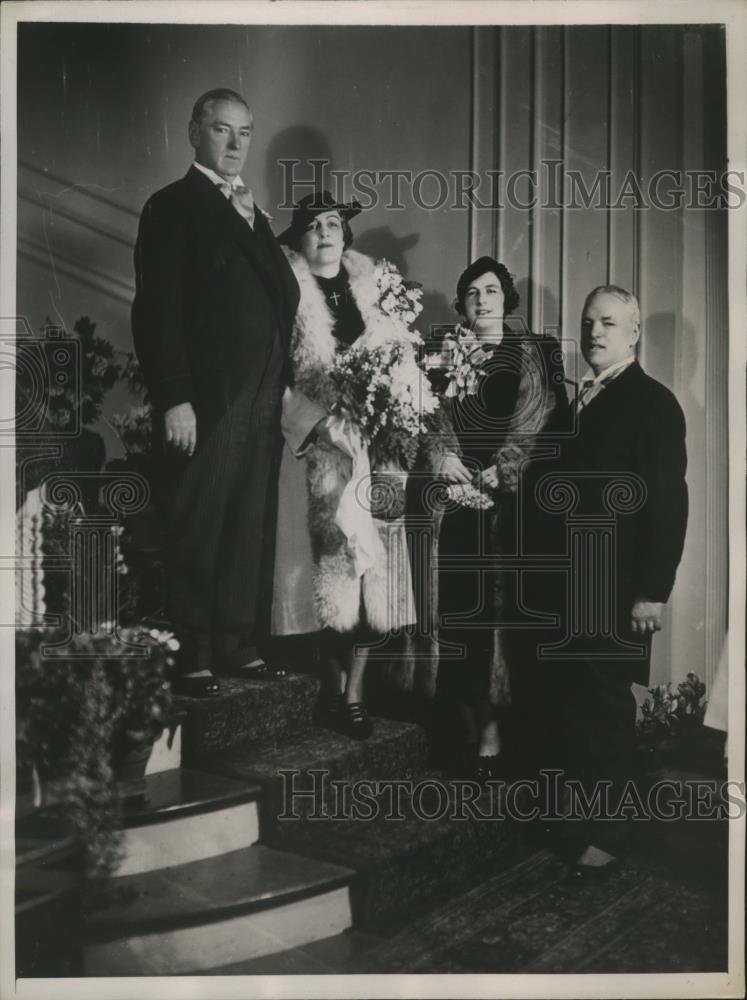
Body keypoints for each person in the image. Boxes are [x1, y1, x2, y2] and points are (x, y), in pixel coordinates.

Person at [131, 88, 299, 698]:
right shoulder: (172, 205)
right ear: (194, 132)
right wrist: (175, 396)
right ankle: (192, 653)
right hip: (209, 399)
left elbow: (282, 295)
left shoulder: (251, 211)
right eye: (222, 129)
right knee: (199, 522)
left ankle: (236, 643)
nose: (234, 143)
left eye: (244, 132)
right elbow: (157, 310)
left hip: (261, 396)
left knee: (246, 524)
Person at [529, 285, 688, 877]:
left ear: (634, 333)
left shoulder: (653, 402)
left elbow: (668, 504)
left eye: (609, 322)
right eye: (588, 321)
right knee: (570, 707)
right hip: (568, 587)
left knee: (603, 712)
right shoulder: (578, 402)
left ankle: (609, 835)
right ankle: (577, 824)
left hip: (616, 588)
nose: (594, 332)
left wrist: (652, 590)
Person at [271, 191, 422, 739]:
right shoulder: (287, 294)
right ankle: (332, 685)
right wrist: (318, 424)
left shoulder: (375, 292)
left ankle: (356, 691)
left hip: (377, 448)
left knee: (373, 573)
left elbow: (402, 362)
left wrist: (396, 410)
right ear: (300, 239)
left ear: (345, 235)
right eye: (314, 226)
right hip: (318, 448)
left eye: (333, 223)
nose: (325, 233)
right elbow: (273, 375)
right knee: (330, 570)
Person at [433, 257, 568, 780]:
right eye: (472, 292)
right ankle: (466, 729)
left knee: (502, 622)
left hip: (513, 510)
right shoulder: (444, 354)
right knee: (461, 615)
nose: (482, 300)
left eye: (491, 290)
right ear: (462, 304)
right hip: (459, 503)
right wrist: (444, 458)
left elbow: (547, 424)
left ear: (506, 299)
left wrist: (507, 467)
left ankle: (496, 737)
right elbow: (428, 417)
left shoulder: (534, 353)